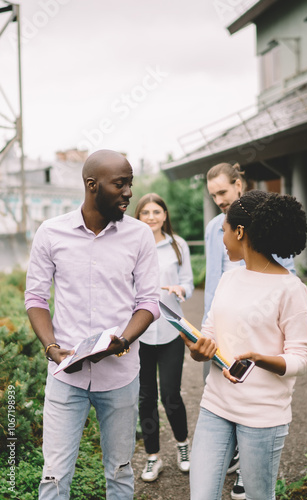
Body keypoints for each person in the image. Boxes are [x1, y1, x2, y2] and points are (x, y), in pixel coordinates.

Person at [24, 150, 161, 500]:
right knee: (54, 476)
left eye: (130, 183)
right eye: (120, 184)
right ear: (92, 185)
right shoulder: (51, 233)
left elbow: (148, 302)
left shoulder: (141, 236)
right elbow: (36, 299)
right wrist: (51, 349)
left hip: (120, 375)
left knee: (119, 471)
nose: (129, 192)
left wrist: (124, 340)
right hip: (65, 375)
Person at [180, 190, 307, 500]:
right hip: (216, 405)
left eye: (224, 230)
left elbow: (301, 357)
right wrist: (200, 348)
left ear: (239, 231)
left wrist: (261, 359)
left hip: (262, 415)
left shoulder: (291, 288)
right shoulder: (229, 280)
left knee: (257, 496)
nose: (222, 239)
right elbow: (211, 332)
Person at [203, 161, 296, 499]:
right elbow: (214, 280)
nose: (219, 200)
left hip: (259, 328)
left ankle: (248, 471)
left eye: (223, 192)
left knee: (255, 398)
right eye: (213, 195)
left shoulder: (268, 219)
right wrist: (205, 331)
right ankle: (228, 455)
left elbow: (285, 269)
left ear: (238, 184)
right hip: (222, 323)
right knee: (219, 394)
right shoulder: (216, 226)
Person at [134, 193, 194, 482]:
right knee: (146, 397)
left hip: (171, 330)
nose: (151, 217)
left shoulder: (178, 245)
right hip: (141, 333)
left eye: (156, 211)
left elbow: (189, 283)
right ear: (138, 216)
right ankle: (152, 457)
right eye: (145, 212)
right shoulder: (131, 246)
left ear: (165, 215)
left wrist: (181, 290)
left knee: (171, 393)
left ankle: (183, 447)